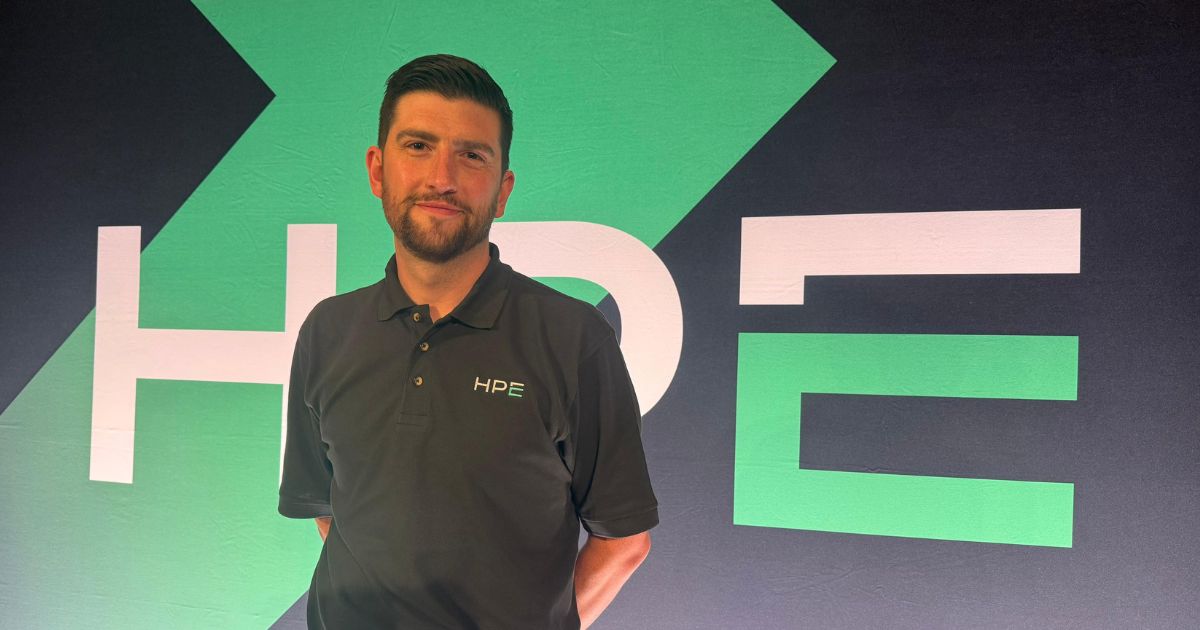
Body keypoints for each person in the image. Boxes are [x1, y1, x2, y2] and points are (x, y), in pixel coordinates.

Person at [279, 54, 659, 629]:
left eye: (472, 155)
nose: (442, 178)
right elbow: (333, 515)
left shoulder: (573, 338)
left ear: (502, 191)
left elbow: (624, 541)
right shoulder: (327, 331)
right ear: (377, 171)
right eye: (418, 146)